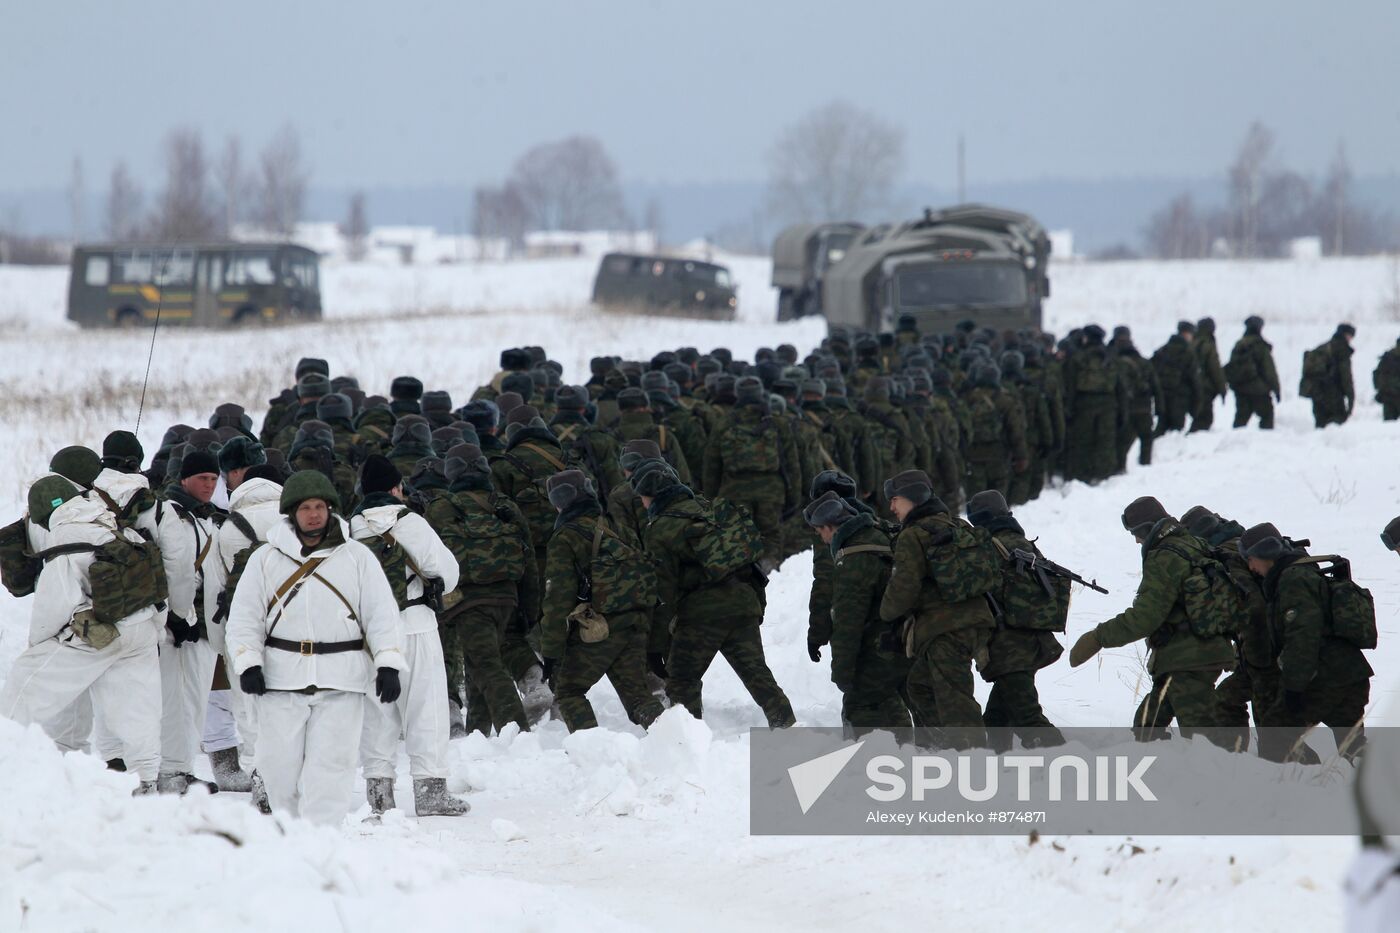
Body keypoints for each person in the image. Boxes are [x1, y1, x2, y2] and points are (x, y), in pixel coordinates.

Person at [225, 470, 407, 826]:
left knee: (332, 768)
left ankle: (322, 842)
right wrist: (248, 663)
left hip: (341, 678)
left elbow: (382, 613)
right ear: (292, 512)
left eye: (320, 506)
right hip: (281, 678)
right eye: (306, 507)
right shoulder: (266, 559)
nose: (313, 514)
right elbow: (244, 616)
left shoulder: (357, 557)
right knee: (278, 767)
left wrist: (388, 663)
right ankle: (289, 839)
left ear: (330, 509)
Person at [0, 476, 164, 794]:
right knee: (139, 707)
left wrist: (38, 646)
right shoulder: (113, 523)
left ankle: (6, 745)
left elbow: (54, 604)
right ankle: (147, 778)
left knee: (27, 678)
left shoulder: (64, 537)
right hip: (142, 625)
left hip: (100, 634)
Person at [350, 455, 467, 817]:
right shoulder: (410, 521)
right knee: (425, 709)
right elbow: (448, 572)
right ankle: (431, 792)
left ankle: (380, 795)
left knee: (376, 711)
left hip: (369, 632)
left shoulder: (349, 528)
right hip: (415, 623)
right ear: (396, 488)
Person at [637, 460, 795, 727]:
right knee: (758, 677)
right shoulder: (710, 509)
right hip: (744, 603)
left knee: (681, 682)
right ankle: (788, 726)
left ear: (652, 497)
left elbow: (662, 591)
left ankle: (684, 742)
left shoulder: (661, 527)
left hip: (701, 615)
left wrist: (655, 645)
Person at [1069, 497, 1236, 742]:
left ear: (1147, 528)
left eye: (1136, 533)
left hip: (1189, 661)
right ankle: (1165, 774)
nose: (1137, 540)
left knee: (1207, 745)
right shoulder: (1192, 543)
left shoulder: (1165, 555)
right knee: (1147, 728)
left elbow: (1145, 617)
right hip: (1193, 656)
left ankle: (1235, 774)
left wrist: (1098, 637)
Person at [539, 470, 665, 732]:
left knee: (569, 690)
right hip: (636, 622)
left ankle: (593, 749)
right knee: (639, 696)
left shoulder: (564, 538)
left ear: (560, 502)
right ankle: (675, 742)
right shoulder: (615, 527)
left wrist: (550, 651)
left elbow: (558, 601)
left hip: (600, 630)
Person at [878, 470, 995, 749]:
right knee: (919, 687)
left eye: (895, 500)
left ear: (913, 498)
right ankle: (939, 750)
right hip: (975, 622)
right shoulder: (956, 525)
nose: (891, 507)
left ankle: (973, 761)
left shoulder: (913, 535)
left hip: (945, 630)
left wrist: (883, 614)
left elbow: (903, 589)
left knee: (956, 699)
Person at [1239, 522, 1373, 763]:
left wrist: (1294, 687)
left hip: (1325, 678)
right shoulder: (1306, 570)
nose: (1250, 566)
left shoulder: (1292, 579)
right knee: (1354, 749)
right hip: (1352, 674)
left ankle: (1306, 791)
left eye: (1251, 559)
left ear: (1265, 553)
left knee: (1274, 737)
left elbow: (1303, 635)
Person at [429, 444, 538, 735]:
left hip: (467, 601)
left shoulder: (443, 507)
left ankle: (518, 733)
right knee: (482, 664)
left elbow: (429, 559)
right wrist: (530, 609)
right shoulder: (504, 505)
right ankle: (478, 734)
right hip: (506, 598)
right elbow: (529, 562)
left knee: (486, 665)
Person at [803, 490, 911, 738]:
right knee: (895, 700)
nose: (822, 539)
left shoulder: (853, 558)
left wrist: (842, 673)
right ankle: (911, 751)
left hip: (880, 645)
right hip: (907, 638)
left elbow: (847, 623)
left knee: (858, 705)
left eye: (821, 532)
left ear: (830, 527)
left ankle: (866, 765)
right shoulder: (878, 534)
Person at [965, 490, 1065, 749]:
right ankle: (999, 764)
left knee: (1027, 716)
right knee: (997, 716)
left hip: (1008, 646)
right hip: (1033, 639)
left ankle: (1064, 757)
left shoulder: (987, 547)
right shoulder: (1023, 543)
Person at [154, 448, 224, 794]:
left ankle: (181, 768)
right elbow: (177, 572)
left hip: (202, 625)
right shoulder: (173, 514)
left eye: (213, 478)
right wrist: (179, 618)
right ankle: (171, 771)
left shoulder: (201, 516)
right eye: (202, 478)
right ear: (185, 479)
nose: (209, 485)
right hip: (180, 628)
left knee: (194, 701)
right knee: (179, 700)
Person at [700, 376, 801, 573]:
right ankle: (770, 572)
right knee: (771, 535)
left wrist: (711, 500)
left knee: (737, 536)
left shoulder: (724, 423)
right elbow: (792, 465)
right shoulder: (778, 424)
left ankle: (742, 577)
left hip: (734, 492)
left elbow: (711, 466)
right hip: (772, 492)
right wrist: (794, 498)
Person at [1224, 316, 1281, 429]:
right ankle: (1266, 441)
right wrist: (1276, 389)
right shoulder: (1260, 345)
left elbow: (1233, 366)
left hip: (1240, 389)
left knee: (1241, 418)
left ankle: (1234, 442)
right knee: (1267, 416)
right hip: (1258, 390)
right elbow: (1269, 370)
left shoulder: (1239, 344)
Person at [1151, 321, 1203, 436]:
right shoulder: (1188, 353)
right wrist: (1197, 402)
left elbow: (1151, 372)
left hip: (1162, 396)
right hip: (1180, 399)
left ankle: (1157, 451)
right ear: (1186, 334)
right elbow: (1194, 380)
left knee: (1161, 428)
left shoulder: (1162, 350)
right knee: (1176, 431)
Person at [1302, 324, 1357, 428]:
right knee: (1336, 425)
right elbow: (1346, 377)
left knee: (1320, 425)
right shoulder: (1342, 350)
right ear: (1346, 335)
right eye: (1351, 336)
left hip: (1316, 392)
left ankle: (1317, 443)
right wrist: (1351, 398)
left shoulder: (1324, 347)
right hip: (1333, 395)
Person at [1189, 317, 1228, 432]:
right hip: (1204, 387)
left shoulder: (1193, 342)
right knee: (1205, 419)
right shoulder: (1207, 344)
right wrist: (1222, 388)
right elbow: (1215, 369)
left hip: (1192, 385)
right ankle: (1194, 442)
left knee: (1199, 417)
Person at [1372, 338, 1400, 421]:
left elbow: (1376, 374)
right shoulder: (1388, 357)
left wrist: (1379, 388)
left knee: (1389, 425)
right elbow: (1377, 375)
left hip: (1388, 396)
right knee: (1389, 426)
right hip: (1390, 396)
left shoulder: (1387, 357)